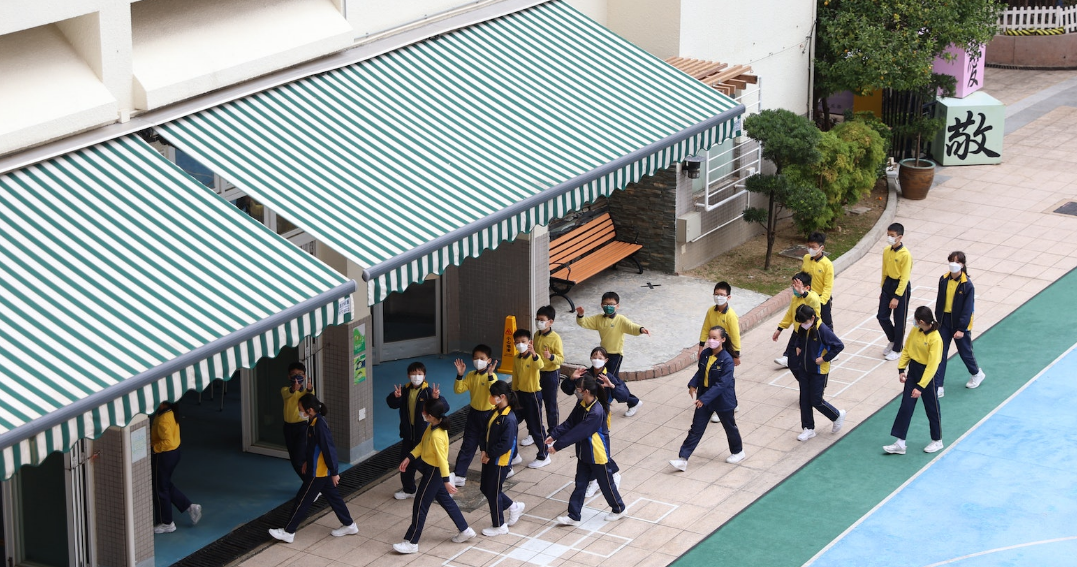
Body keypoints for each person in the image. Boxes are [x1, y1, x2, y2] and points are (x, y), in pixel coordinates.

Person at [269, 395, 358, 543]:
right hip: (317, 469)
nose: (299, 412)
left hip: (318, 472)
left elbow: (328, 449)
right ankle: (349, 524)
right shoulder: (313, 422)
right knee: (334, 498)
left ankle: (288, 531)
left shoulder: (319, 425)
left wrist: (334, 472)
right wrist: (306, 461)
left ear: (309, 410)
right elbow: (312, 447)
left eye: (301, 409)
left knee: (302, 500)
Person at [393, 398, 476, 554]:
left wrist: (446, 480)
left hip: (433, 472)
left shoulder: (437, 435)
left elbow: (442, 461)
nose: (422, 413)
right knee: (445, 501)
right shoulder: (432, 427)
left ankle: (412, 542)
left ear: (430, 415)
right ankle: (465, 530)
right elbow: (421, 446)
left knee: (420, 504)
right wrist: (409, 457)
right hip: (431, 470)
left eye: (424, 411)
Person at [546, 375, 627, 525]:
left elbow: (578, 432)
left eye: (579, 390)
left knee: (606, 484)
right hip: (584, 452)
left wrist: (557, 446)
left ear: (587, 391)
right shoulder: (582, 403)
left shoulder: (596, 412)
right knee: (580, 483)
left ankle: (619, 508)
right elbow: (570, 422)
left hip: (597, 454)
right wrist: (554, 435)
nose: (577, 392)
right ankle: (574, 515)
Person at [669, 326, 745, 471]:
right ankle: (683, 458)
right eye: (710, 337)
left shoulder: (727, 361)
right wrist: (692, 385)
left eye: (714, 338)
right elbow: (701, 372)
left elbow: (722, 384)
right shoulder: (705, 354)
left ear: (723, 340)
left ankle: (738, 451)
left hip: (722, 400)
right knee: (696, 429)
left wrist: (704, 398)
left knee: (729, 427)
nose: (711, 341)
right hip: (704, 399)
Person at [575, 291, 650, 416]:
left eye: (611, 304)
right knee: (611, 380)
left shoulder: (620, 320)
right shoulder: (598, 319)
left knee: (609, 380)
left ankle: (612, 404)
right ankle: (631, 401)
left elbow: (631, 326)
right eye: (606, 304)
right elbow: (584, 323)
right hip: (603, 356)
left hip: (615, 355)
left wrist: (641, 329)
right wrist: (580, 315)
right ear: (601, 305)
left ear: (617, 306)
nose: (608, 306)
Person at [884, 306, 944, 455]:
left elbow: (932, 365)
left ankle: (937, 440)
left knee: (932, 408)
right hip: (914, 371)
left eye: (916, 321)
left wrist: (921, 387)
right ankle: (900, 443)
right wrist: (901, 369)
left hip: (928, 376)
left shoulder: (935, 339)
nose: (914, 323)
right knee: (906, 406)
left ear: (922, 321)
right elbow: (907, 350)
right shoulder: (915, 331)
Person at [569, 347, 624, 497]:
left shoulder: (609, 377)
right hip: (583, 414)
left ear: (606, 360)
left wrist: (611, 386)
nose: (597, 359)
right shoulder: (584, 375)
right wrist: (572, 379)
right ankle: (594, 480)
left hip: (600, 418)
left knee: (599, 450)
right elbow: (568, 389)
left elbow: (623, 394)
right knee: (589, 449)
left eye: (600, 357)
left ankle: (613, 473)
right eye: (594, 356)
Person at [789, 305, 847, 442]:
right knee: (804, 399)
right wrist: (797, 345)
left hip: (819, 371)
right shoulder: (804, 327)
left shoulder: (823, 330)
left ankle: (837, 415)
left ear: (812, 318)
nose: (803, 325)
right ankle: (808, 428)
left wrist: (824, 359)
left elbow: (839, 345)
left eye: (805, 322)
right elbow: (799, 336)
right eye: (801, 322)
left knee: (816, 400)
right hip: (804, 368)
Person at [934, 251, 986, 396]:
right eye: (951, 261)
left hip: (960, 324)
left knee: (965, 352)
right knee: (940, 353)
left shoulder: (967, 285)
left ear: (962, 265)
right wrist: (938, 320)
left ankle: (976, 373)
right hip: (944, 321)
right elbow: (939, 301)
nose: (953, 264)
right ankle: (938, 385)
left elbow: (967, 309)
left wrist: (961, 328)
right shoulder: (943, 279)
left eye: (957, 262)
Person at [479, 381, 526, 536]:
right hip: (490, 457)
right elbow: (485, 432)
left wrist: (489, 454)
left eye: (493, 395)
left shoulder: (509, 419)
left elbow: (505, 444)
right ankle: (513, 506)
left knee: (493, 491)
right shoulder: (495, 412)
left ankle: (499, 525)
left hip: (500, 461)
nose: (491, 398)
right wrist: (483, 451)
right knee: (486, 488)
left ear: (502, 397)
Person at [450, 345, 499, 487]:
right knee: (468, 444)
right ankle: (459, 475)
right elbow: (458, 390)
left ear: (489, 360)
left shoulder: (492, 376)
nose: (479, 361)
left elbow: (494, 392)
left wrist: (490, 375)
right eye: (476, 358)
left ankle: (504, 469)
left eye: (482, 358)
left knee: (491, 445)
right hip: (474, 414)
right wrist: (460, 375)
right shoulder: (471, 375)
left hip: (488, 415)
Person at [386, 363, 436, 499]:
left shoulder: (428, 392)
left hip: (423, 436)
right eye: (414, 374)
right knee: (405, 462)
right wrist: (396, 397)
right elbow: (392, 404)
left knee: (421, 462)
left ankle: (439, 484)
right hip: (408, 435)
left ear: (424, 376)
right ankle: (409, 490)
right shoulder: (404, 390)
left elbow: (444, 408)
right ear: (408, 375)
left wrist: (437, 399)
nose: (416, 377)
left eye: (420, 374)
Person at [151, 401, 202, 533]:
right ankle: (189, 507)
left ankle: (166, 522)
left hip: (164, 455)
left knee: (160, 488)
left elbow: (166, 442)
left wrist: (154, 448)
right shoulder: (170, 413)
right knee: (165, 484)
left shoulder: (163, 419)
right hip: (174, 453)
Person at [699, 281, 742, 423]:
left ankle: (720, 408)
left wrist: (736, 355)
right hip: (714, 348)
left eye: (722, 295)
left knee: (720, 379)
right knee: (725, 378)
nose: (719, 297)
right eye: (716, 294)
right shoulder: (711, 311)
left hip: (727, 351)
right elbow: (706, 328)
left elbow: (735, 336)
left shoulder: (730, 315)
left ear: (728, 297)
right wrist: (701, 346)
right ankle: (733, 403)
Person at [511, 328, 551, 468]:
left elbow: (540, 365)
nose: (520, 344)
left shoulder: (535, 357)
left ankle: (544, 454)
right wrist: (514, 393)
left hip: (533, 395)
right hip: (519, 395)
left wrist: (534, 353)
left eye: (523, 341)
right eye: (517, 342)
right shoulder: (516, 358)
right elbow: (515, 377)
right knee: (511, 423)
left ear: (530, 342)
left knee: (535, 426)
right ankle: (514, 455)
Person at [879, 223, 913, 361]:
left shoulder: (905, 255)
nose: (889, 238)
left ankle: (898, 349)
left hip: (900, 287)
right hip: (888, 284)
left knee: (899, 320)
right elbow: (884, 271)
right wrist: (883, 289)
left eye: (892, 236)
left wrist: (897, 296)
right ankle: (893, 340)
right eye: (888, 235)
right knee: (882, 316)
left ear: (900, 237)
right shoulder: (887, 250)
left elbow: (905, 277)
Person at [773, 272, 821, 368]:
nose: (794, 289)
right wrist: (780, 328)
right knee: (792, 352)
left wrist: (803, 293)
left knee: (806, 356)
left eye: (797, 286)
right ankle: (787, 358)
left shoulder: (813, 297)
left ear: (807, 288)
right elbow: (790, 314)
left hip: (810, 332)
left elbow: (813, 300)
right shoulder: (795, 298)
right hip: (797, 331)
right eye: (793, 286)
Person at [532, 305, 565, 444]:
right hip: (537, 373)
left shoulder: (555, 338)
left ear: (550, 322)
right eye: (537, 319)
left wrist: (551, 357)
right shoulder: (536, 335)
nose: (539, 322)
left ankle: (553, 433)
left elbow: (561, 358)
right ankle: (535, 431)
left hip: (551, 374)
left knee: (550, 404)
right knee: (535, 403)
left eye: (542, 320)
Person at [282, 362, 314, 480]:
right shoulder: (285, 390)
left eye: (300, 374)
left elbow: (311, 401)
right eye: (294, 374)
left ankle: (311, 484)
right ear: (289, 377)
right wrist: (293, 389)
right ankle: (310, 483)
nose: (297, 377)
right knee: (294, 459)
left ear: (304, 377)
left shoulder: (306, 392)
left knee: (300, 458)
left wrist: (309, 390)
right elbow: (288, 394)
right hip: (288, 428)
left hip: (302, 427)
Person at [803, 232, 836, 331]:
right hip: (808, 297)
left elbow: (828, 287)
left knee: (825, 326)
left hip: (821, 300)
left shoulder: (827, 265)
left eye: (813, 247)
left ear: (822, 248)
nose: (810, 249)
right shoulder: (806, 258)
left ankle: (830, 345)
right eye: (809, 246)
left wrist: (820, 302)